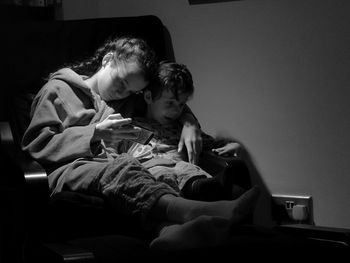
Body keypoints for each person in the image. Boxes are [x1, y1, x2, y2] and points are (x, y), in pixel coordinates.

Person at [21, 35, 260, 250]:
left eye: (130, 91)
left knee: (144, 167)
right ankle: (195, 211)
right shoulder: (57, 89)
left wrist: (189, 122)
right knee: (125, 168)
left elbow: (167, 102)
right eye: (121, 82)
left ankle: (168, 232)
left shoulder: (124, 102)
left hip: (112, 167)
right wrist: (95, 133)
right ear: (107, 60)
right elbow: (36, 143)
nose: (122, 93)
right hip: (70, 168)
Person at [115, 61, 251, 202]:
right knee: (162, 171)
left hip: (185, 172)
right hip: (152, 172)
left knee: (187, 168)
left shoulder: (180, 127)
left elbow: (209, 142)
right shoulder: (133, 125)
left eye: (181, 104)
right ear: (149, 97)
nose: (176, 111)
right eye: (170, 103)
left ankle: (206, 188)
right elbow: (116, 148)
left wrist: (231, 145)